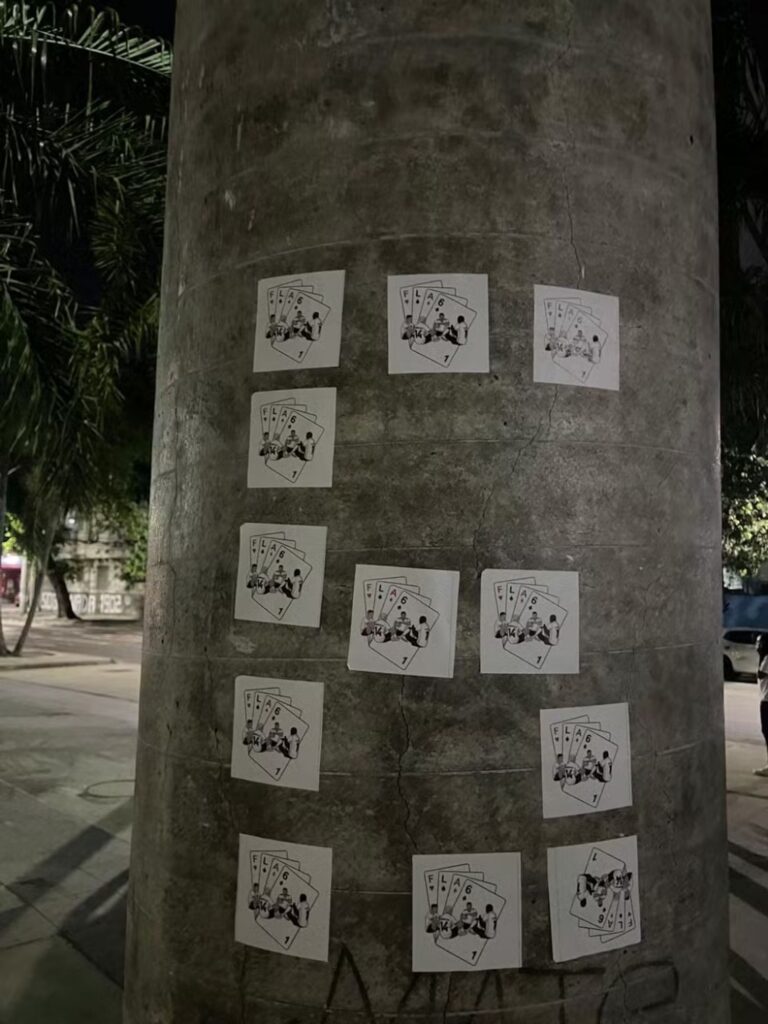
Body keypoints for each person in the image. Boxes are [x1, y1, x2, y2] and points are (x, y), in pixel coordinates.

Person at [754, 633, 768, 776]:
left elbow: (760, 674)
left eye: (759, 643)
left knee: (767, 731)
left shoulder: (766, 659)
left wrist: (760, 655)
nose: (756, 646)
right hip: (765, 699)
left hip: (767, 701)